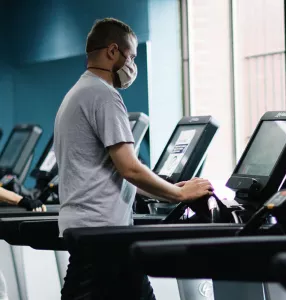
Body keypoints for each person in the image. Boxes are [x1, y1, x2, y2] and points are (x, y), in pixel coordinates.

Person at [54, 18, 214, 300]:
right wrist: (178, 193)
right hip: (101, 234)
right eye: (132, 56)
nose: (132, 65)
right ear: (113, 51)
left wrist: (162, 189)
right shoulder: (103, 95)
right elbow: (130, 168)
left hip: (96, 232)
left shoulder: (78, 92)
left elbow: (115, 172)